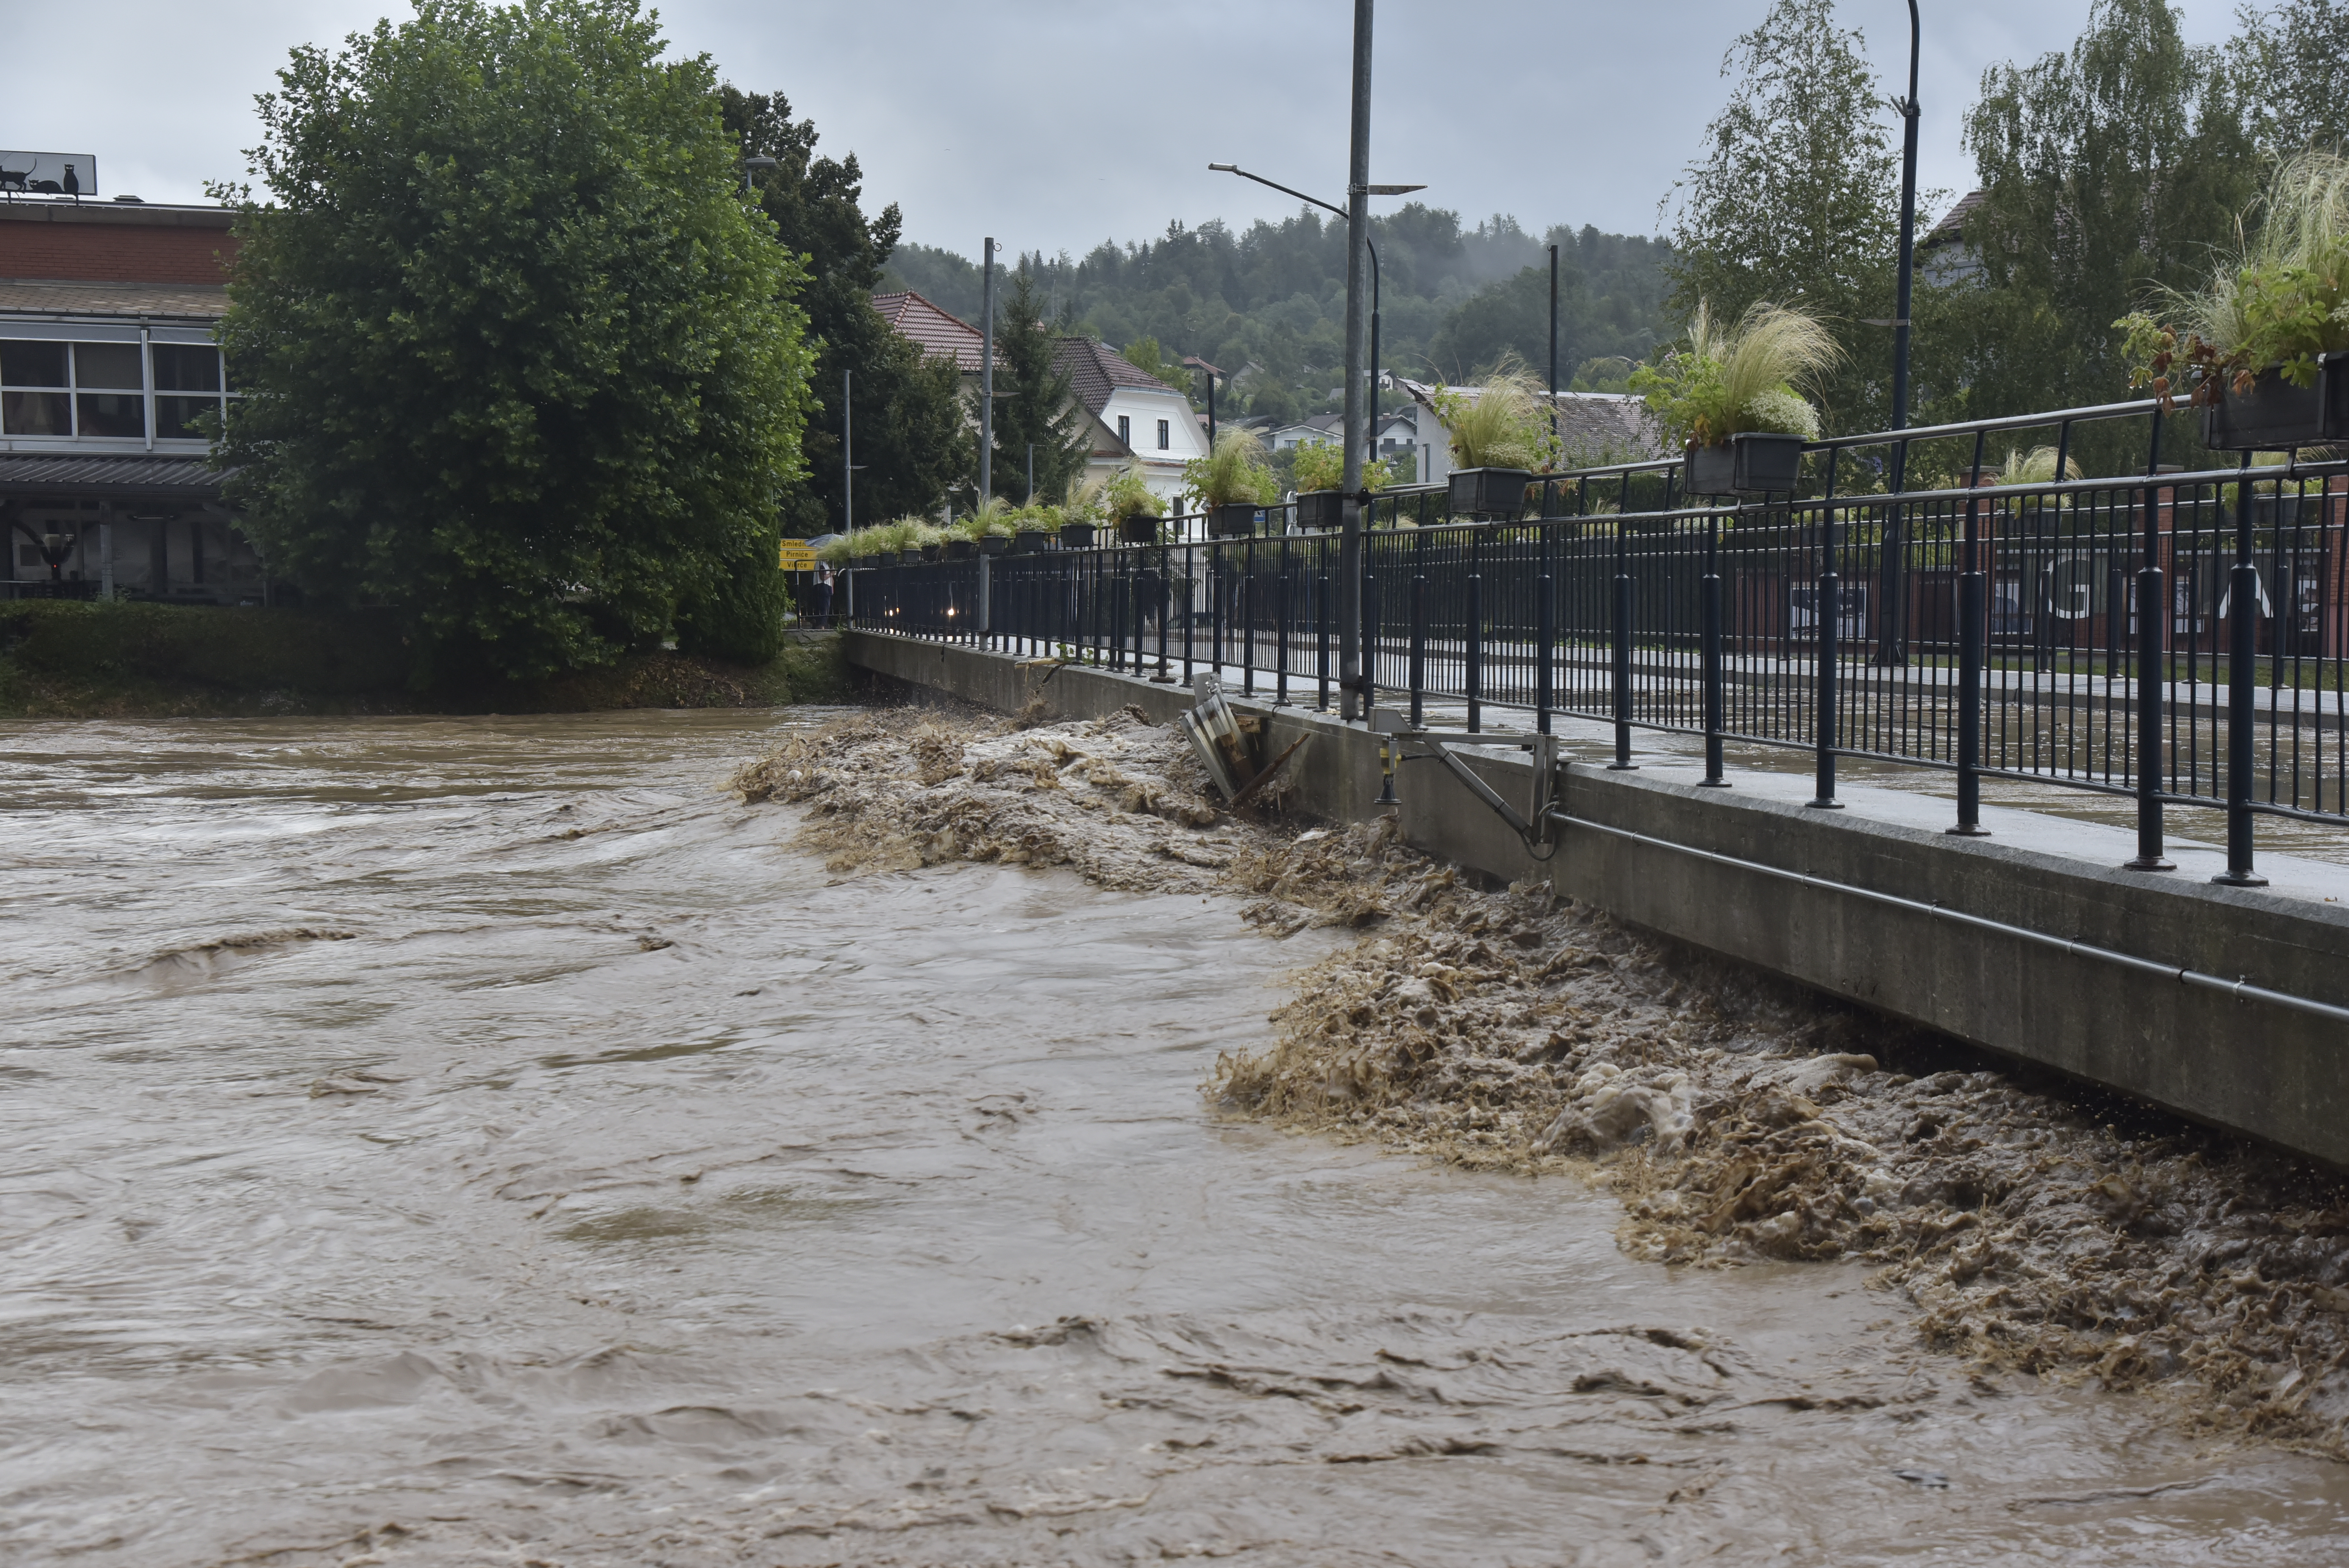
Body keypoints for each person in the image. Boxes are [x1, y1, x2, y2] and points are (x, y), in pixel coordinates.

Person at [810, 560, 836, 629]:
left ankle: (819, 625)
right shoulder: (822, 564)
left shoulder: (820, 564)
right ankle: (822, 627)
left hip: (822, 587)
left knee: (822, 608)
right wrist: (832, 573)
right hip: (824, 587)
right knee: (825, 608)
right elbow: (823, 577)